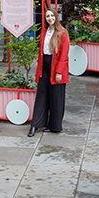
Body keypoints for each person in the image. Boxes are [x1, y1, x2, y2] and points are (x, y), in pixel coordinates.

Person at [28, 8, 70, 137]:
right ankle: (35, 124)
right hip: (44, 67)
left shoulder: (62, 33)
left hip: (56, 67)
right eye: (47, 16)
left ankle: (55, 126)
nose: (50, 18)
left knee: (56, 97)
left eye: (52, 16)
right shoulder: (44, 31)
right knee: (41, 96)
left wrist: (59, 72)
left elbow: (64, 55)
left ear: (56, 17)